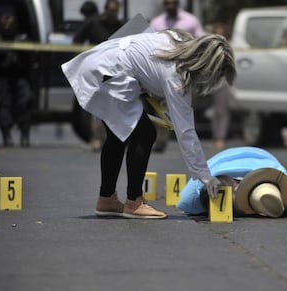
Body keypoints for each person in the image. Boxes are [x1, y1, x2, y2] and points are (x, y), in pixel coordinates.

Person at [61, 29, 236, 219]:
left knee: (118, 134)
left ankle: (106, 200)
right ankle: (134, 203)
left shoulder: (175, 38)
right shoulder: (176, 75)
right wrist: (204, 175)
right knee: (145, 134)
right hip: (110, 73)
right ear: (207, 67)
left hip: (101, 62)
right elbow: (185, 131)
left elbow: (141, 42)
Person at [177, 146, 287, 218]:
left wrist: (279, 205)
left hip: (263, 158)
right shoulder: (194, 195)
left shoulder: (275, 174)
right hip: (228, 161)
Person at [73, 0, 123, 152]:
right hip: (97, 72)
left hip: (117, 72)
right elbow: (76, 41)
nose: (113, 14)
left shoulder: (121, 26)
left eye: (115, 11)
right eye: (110, 11)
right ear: (105, 10)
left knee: (117, 109)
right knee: (98, 109)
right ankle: (97, 139)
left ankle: (117, 142)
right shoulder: (93, 24)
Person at [0, 11, 34, 147]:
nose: (8, 23)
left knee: (24, 102)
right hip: (3, 77)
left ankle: (25, 134)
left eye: (10, 19)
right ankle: (6, 135)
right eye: (5, 19)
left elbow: (30, 61)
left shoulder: (22, 39)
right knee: (4, 105)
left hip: (19, 76)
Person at [209, 23, 234, 151]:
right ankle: (215, 136)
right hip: (210, 81)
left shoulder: (228, 46)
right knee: (214, 112)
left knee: (221, 111)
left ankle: (220, 137)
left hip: (223, 81)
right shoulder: (210, 46)